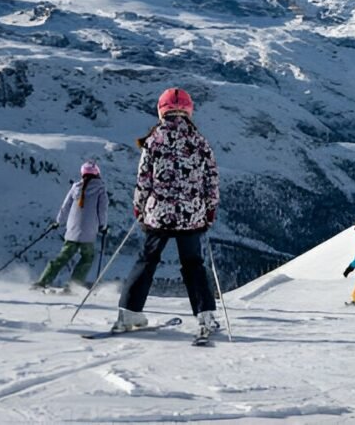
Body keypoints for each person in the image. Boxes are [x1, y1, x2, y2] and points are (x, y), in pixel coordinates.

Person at [113, 87, 221, 342]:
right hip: (190, 214)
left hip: (157, 213)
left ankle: (129, 313)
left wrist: (139, 206)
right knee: (193, 264)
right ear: (188, 111)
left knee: (147, 260)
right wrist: (210, 207)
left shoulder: (154, 140)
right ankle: (205, 317)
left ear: (161, 111)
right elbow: (211, 178)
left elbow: (144, 178)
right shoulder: (199, 140)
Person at [33, 161, 109, 291]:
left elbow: (65, 207)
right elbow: (102, 210)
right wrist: (103, 226)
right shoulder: (101, 189)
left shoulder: (75, 187)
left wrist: (58, 222)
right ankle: (72, 286)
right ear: (97, 174)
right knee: (87, 258)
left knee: (62, 257)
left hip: (72, 230)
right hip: (89, 233)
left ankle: (42, 281)